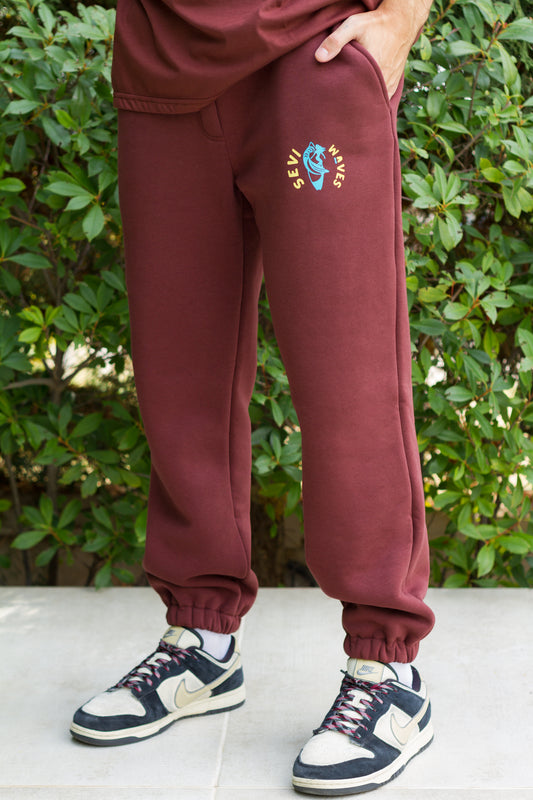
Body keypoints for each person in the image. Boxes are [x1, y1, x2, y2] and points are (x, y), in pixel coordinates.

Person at [70, 0, 436, 794]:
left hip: (314, 56)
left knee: (349, 377)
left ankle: (386, 673)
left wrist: (405, 12)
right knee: (179, 374)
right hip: (164, 59)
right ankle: (200, 641)